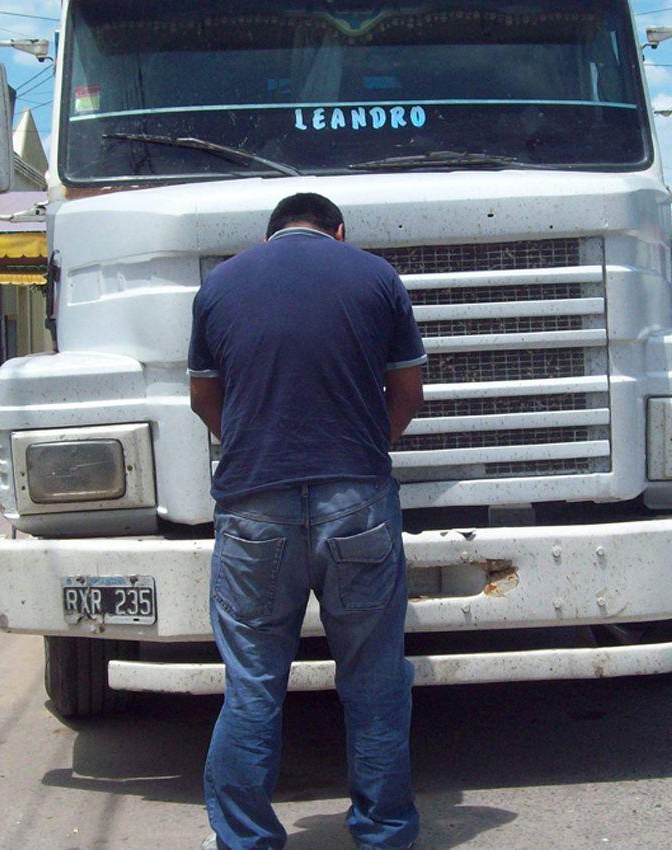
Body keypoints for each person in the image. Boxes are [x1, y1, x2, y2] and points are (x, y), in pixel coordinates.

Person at [188, 193, 426, 850]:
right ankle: (383, 835)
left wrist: (253, 444)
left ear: (270, 236)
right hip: (358, 505)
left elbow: (205, 398)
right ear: (338, 231)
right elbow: (407, 393)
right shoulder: (376, 278)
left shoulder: (220, 285)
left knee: (254, 683)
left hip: (252, 507)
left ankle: (244, 840)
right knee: (375, 679)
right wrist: (361, 448)